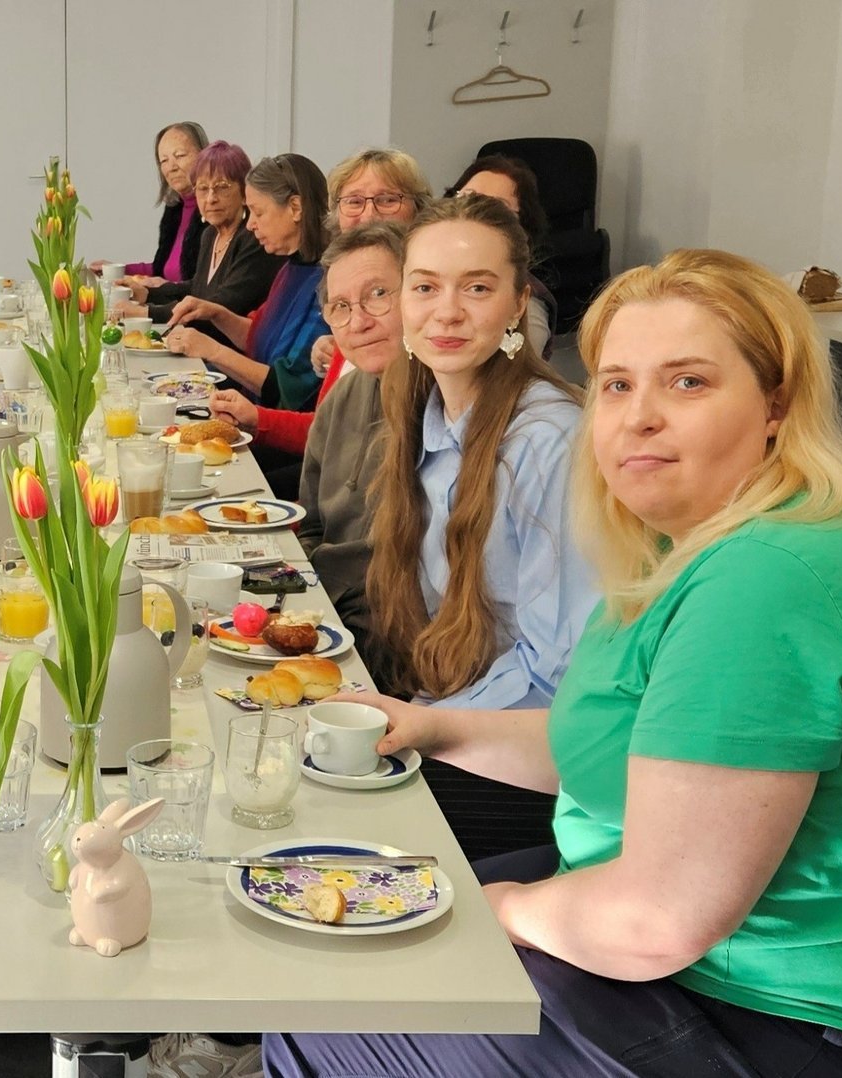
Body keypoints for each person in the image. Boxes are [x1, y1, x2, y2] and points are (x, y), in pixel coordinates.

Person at [266, 248, 842, 1077]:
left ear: (777, 405)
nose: (639, 416)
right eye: (616, 385)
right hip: (717, 969)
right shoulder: (686, 545)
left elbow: (657, 921)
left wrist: (499, 910)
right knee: (362, 912)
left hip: (805, 1025)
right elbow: (628, 746)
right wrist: (435, 728)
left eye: (687, 382)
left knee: (324, 1008)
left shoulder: (765, 580)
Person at [363, 193, 598, 857]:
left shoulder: (547, 440)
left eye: (477, 288)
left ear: (518, 304)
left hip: (540, 760)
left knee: (347, 824)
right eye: (425, 287)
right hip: (462, 714)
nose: (447, 311)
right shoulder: (425, 410)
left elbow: (559, 678)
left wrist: (432, 723)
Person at [210, 148, 429, 461]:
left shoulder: (424, 318)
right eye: (354, 202)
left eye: (387, 200)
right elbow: (329, 434)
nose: (368, 215)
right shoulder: (327, 279)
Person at [295, 223, 408, 647]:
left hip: (389, 634)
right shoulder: (342, 396)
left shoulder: (445, 405)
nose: (359, 322)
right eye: (340, 306)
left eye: (378, 294)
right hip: (326, 607)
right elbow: (310, 522)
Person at [161, 153, 332, 410]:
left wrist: (212, 350)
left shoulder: (327, 282)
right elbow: (259, 338)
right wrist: (217, 314)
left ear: (295, 208)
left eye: (258, 212)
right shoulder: (291, 267)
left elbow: (286, 389)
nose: (250, 224)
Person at [117, 140, 282, 349]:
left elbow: (219, 306)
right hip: (199, 348)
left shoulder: (254, 238)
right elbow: (197, 288)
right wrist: (148, 293)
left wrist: (145, 312)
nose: (211, 198)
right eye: (203, 188)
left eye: (222, 187)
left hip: (230, 354)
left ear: (244, 193)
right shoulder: (210, 235)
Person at [448, 154, 556, 359]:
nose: (474, 214)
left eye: (495, 208)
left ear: (523, 229)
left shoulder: (530, 309)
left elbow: (518, 376)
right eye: (468, 198)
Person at [97, 121, 208, 285]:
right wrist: (117, 270)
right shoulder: (174, 209)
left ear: (204, 155)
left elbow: (205, 285)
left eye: (180, 156)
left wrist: (162, 287)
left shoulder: (214, 211)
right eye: (164, 160)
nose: (171, 167)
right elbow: (162, 270)